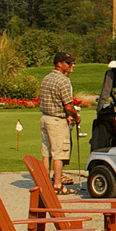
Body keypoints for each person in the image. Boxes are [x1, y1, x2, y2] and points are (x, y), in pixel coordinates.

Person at [38, 51, 80, 194]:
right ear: (59, 64)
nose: (72, 65)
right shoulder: (63, 80)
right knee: (59, 153)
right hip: (57, 120)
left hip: (45, 118)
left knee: (46, 152)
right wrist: (76, 116)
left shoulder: (46, 78)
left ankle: (43, 183)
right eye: (69, 63)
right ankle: (57, 185)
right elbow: (68, 105)